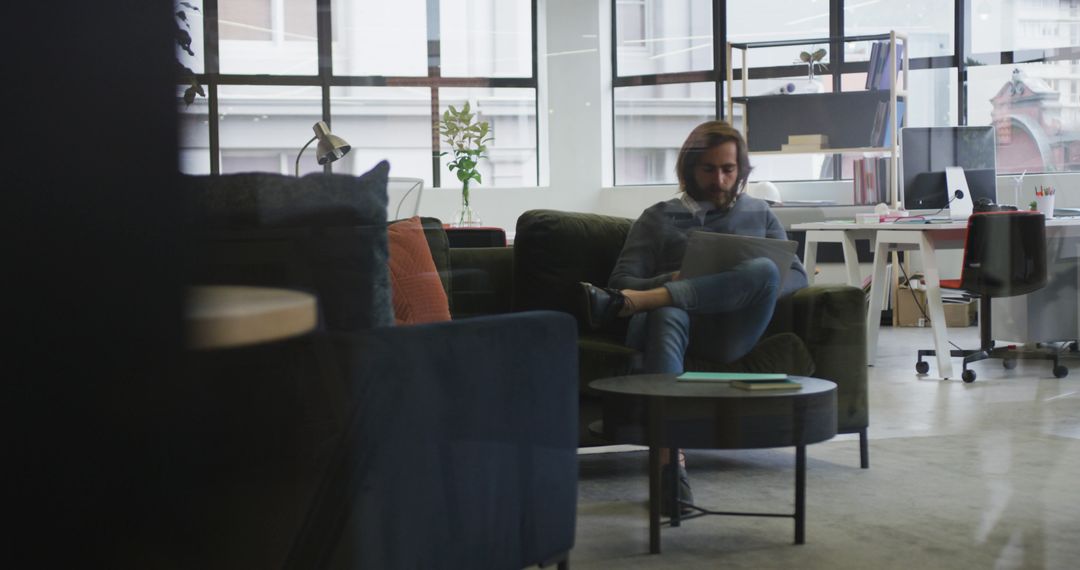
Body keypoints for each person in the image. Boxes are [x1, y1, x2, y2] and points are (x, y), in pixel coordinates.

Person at [580, 120, 808, 515]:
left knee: (766, 271)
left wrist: (736, 284)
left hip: (730, 330)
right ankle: (671, 468)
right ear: (689, 169)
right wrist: (672, 281)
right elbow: (622, 281)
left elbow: (798, 276)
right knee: (668, 309)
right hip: (668, 329)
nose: (720, 180)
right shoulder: (658, 217)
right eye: (709, 170)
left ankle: (654, 299)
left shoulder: (759, 213)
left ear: (741, 170)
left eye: (729, 170)